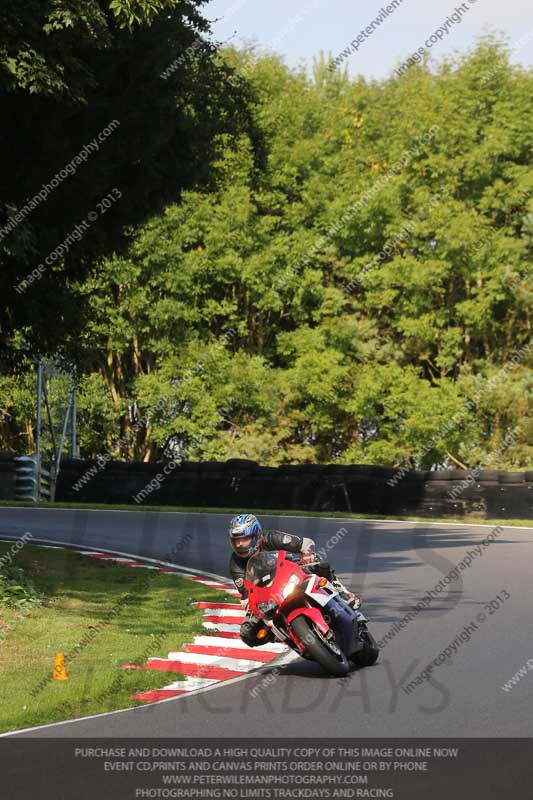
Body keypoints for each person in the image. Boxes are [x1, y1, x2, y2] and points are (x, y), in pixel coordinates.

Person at [228, 513, 359, 648]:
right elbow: (246, 596)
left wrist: (307, 553)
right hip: (270, 596)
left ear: (255, 536)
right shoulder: (236, 564)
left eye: (244, 539)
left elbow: (301, 543)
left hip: (291, 574)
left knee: (320, 564)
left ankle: (342, 592)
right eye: (236, 540)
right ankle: (285, 635)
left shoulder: (271, 538)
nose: (239, 544)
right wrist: (252, 614)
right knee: (247, 633)